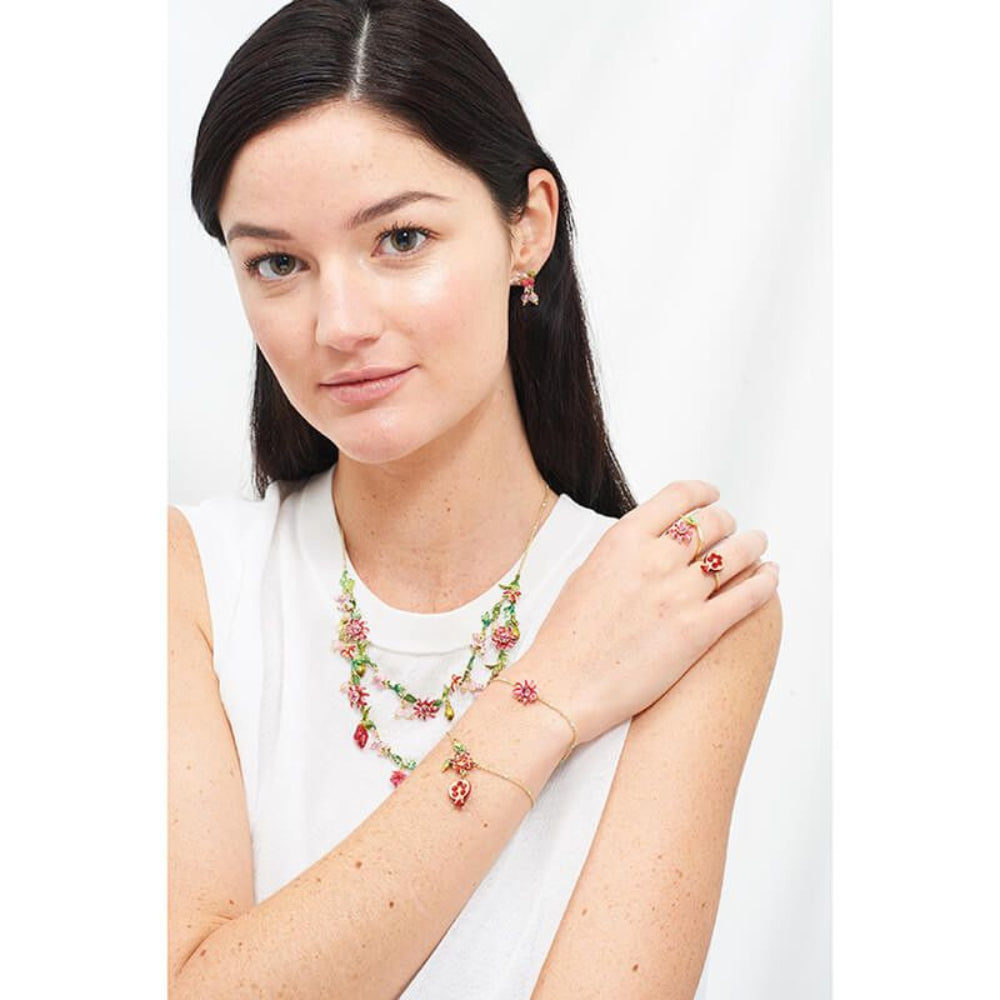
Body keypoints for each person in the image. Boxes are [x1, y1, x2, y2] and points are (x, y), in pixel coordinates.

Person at [167, 1, 783, 997]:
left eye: (400, 238)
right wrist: (551, 689)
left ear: (527, 226)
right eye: (278, 263)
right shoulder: (184, 582)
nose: (339, 323)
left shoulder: (684, 610)